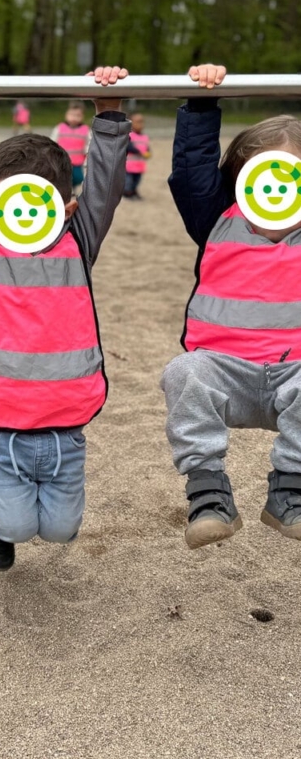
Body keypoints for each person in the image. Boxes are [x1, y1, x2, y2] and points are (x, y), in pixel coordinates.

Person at [0, 64, 130, 571]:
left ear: (65, 207)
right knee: (16, 526)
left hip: (63, 422)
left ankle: (8, 509)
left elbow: (105, 188)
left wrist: (109, 113)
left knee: (62, 530)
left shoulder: (77, 242)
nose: (13, 216)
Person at [161, 62, 301, 548]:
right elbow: (193, 174)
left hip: (295, 375)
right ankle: (208, 496)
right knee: (184, 372)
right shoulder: (217, 219)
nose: (277, 192)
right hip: (224, 370)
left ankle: (290, 494)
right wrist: (202, 104)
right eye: (264, 179)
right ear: (241, 184)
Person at [51, 101, 90, 196]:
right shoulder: (60, 128)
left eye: (78, 115)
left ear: (82, 116)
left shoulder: (85, 129)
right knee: (63, 177)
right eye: (72, 115)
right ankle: (66, 192)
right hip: (62, 160)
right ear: (66, 115)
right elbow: (53, 141)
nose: (74, 118)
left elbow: (88, 143)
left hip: (77, 161)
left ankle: (72, 188)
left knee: (78, 177)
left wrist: (88, 153)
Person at [124, 111, 150, 199]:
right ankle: (127, 192)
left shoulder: (145, 137)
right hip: (129, 165)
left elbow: (147, 147)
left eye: (142, 121)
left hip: (139, 165)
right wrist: (139, 151)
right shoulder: (129, 135)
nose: (140, 124)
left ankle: (134, 190)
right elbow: (129, 147)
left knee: (137, 180)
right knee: (128, 181)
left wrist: (148, 153)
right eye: (137, 122)